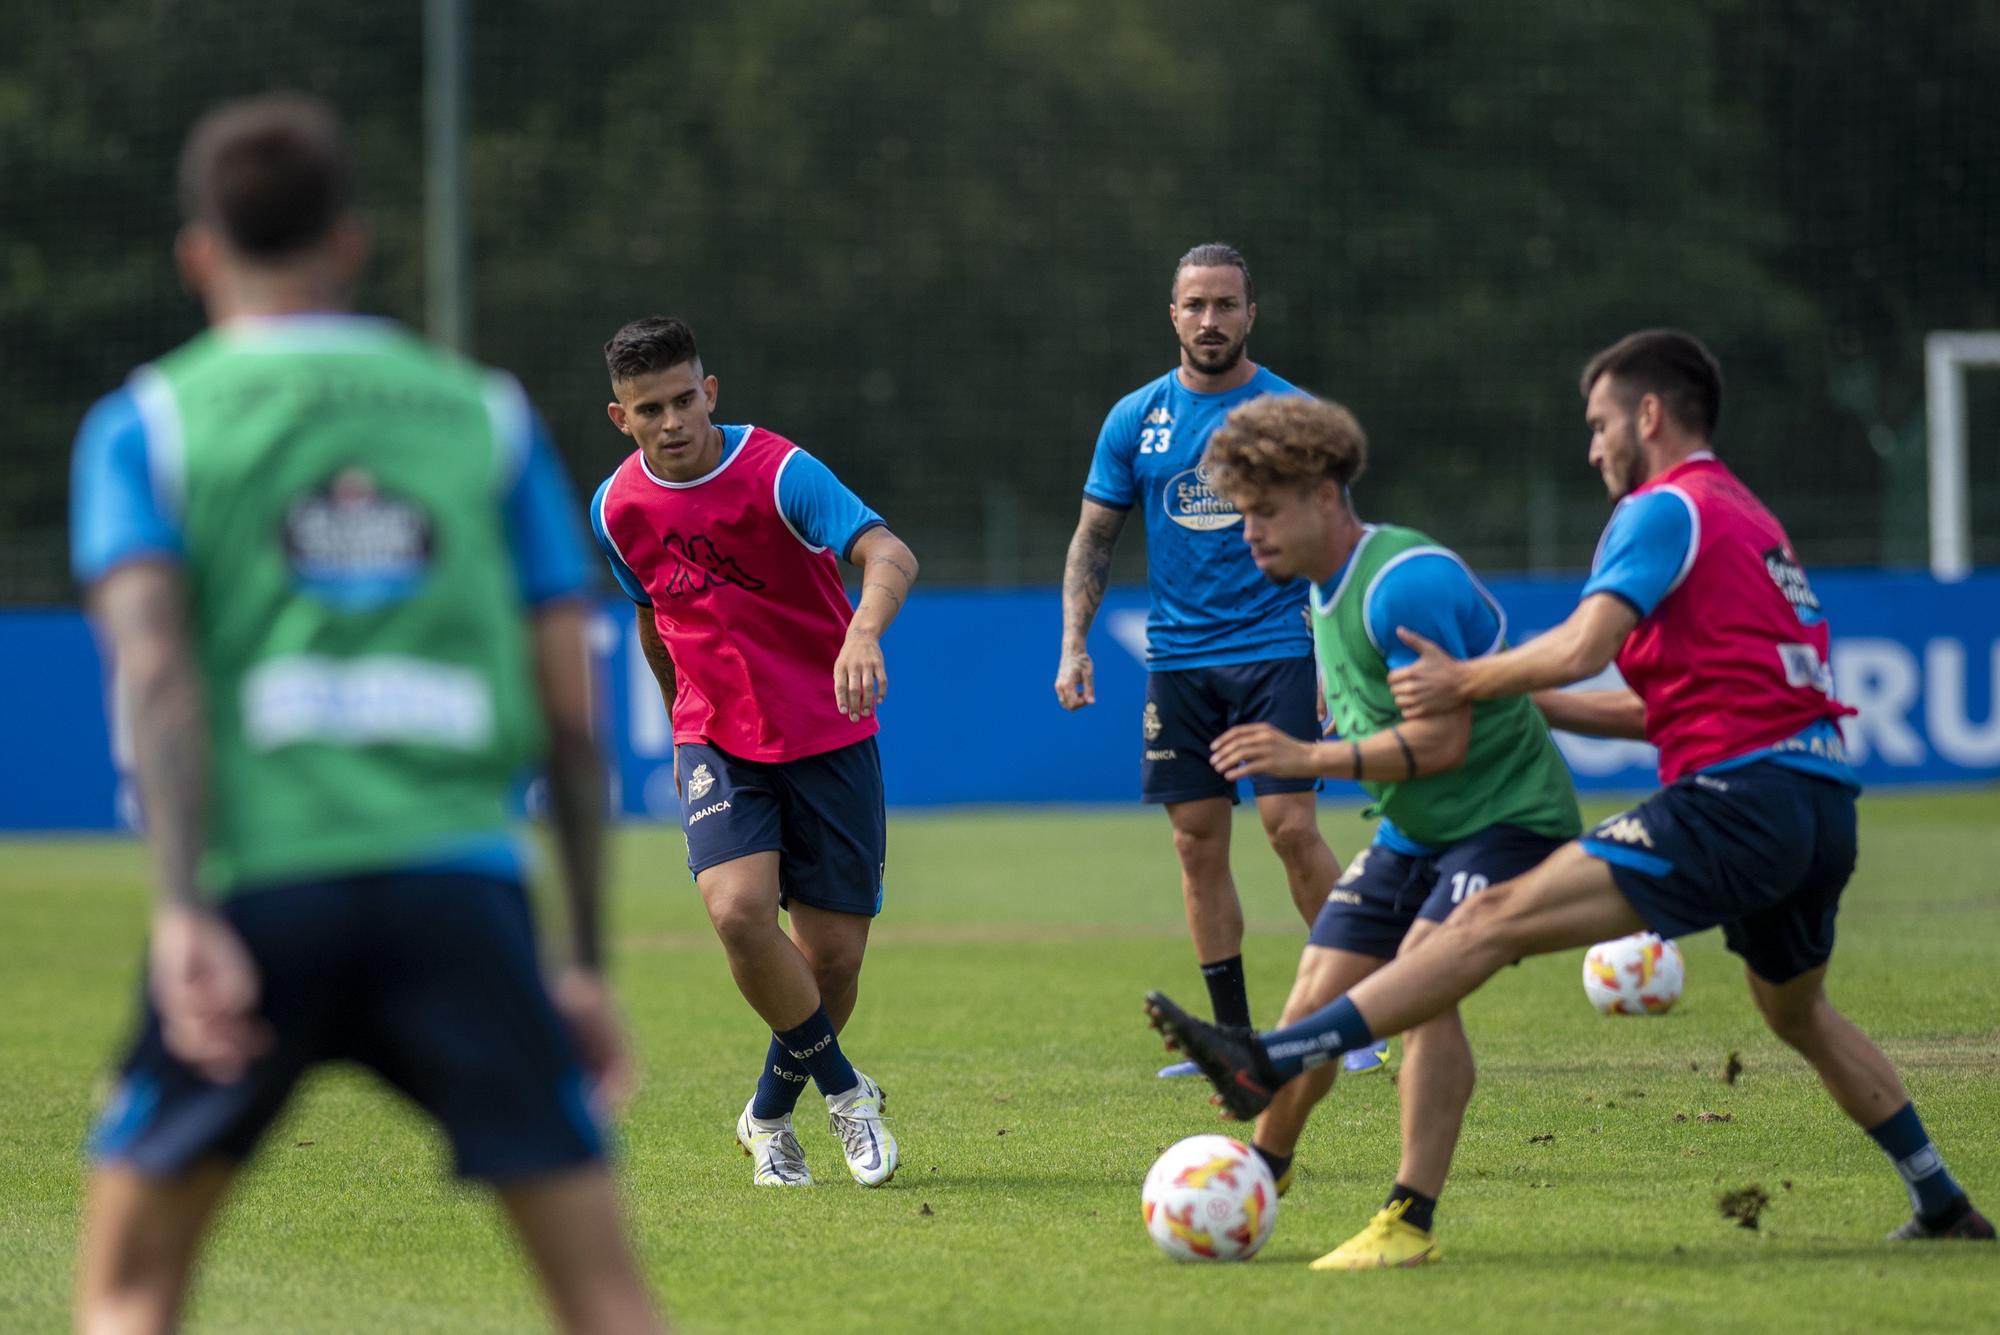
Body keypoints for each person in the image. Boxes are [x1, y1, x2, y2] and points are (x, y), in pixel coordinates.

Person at [1146, 329, 1993, 1246]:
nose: (1593, 447)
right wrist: (1525, 694)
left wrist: (1467, 682)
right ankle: (1941, 1200)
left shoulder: (1665, 507)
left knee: (1485, 923)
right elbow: (1659, 701)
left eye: (1599, 424)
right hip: (1817, 795)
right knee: (1794, 1009)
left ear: (1650, 415)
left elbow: (1585, 644)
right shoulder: (1750, 518)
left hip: (1736, 797)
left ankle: (1272, 1064)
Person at [70, 95, 666, 1333]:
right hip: (457, 896)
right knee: (605, 1300)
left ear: (197, 254)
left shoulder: (148, 425)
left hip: (256, 894)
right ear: (350, 244)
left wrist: (183, 909)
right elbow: (570, 718)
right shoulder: (483, 415)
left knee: (130, 1293)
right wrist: (583, 964)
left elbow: (159, 676)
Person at [1158, 393, 1582, 1267]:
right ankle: (1258, 1178)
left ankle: (1409, 1218)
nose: (1250, 537)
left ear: (1324, 494)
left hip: (1505, 819)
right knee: (1315, 993)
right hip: (1416, 831)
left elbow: (1443, 739)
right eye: (1243, 518)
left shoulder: (1406, 582)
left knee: (1425, 985)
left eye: (1265, 513)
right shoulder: (1323, 587)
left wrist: (1306, 757)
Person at [589, 317, 917, 1189]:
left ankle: (768, 1115)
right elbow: (652, 618)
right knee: (737, 912)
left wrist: (862, 631)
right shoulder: (615, 507)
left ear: (712, 392)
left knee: (833, 963)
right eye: (649, 408)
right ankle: (849, 1097)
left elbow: (889, 552)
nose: (672, 421)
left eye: (684, 399)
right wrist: (676, 725)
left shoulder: (780, 471)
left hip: (828, 730)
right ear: (621, 417)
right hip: (717, 736)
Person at [1056, 244, 1359, 1061]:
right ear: (1173, 314)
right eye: (1195, 305)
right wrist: (1074, 643)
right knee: (1195, 841)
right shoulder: (1135, 418)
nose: (1211, 320)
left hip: (1276, 649)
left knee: (1291, 826)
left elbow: (1337, 546)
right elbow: (1095, 537)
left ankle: (1360, 1016)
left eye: (1226, 305)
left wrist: (1335, 656)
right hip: (1180, 660)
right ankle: (1230, 1035)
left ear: (1251, 314)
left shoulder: (1290, 415)